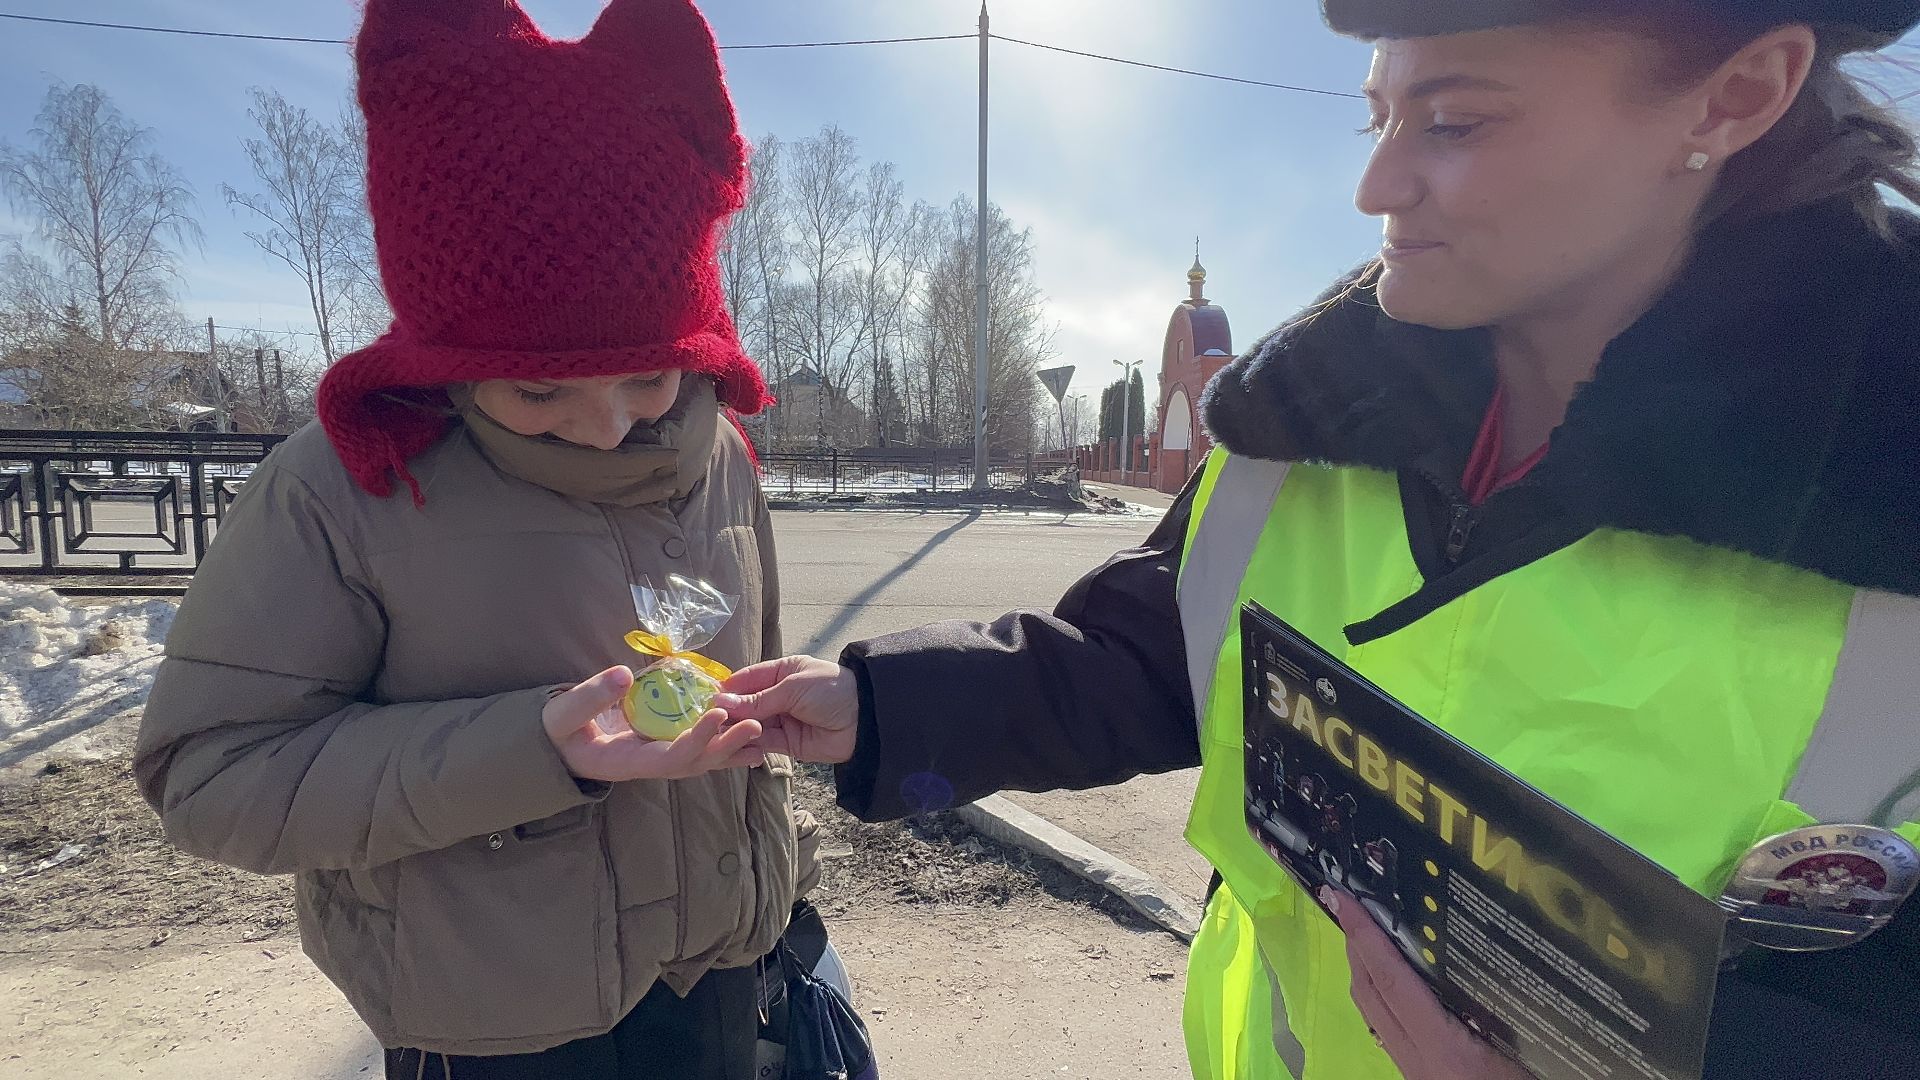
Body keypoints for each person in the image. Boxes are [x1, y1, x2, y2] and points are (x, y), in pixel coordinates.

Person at [718, 2, 1920, 1077]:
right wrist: (884, 707)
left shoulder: (1886, 497)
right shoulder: (1312, 419)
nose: (1377, 188)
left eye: (1452, 123)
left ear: (1737, 94)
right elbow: (1159, 658)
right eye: (1377, 119)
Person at [134, 2, 820, 1078]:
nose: (607, 423)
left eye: (649, 371)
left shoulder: (723, 450)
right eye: (539, 386)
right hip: (493, 1030)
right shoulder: (344, 486)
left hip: (721, 983)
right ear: (451, 348)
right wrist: (533, 752)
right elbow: (210, 780)